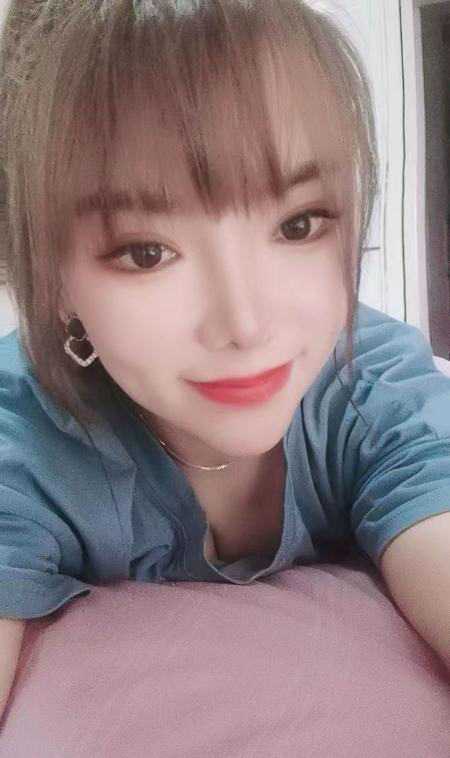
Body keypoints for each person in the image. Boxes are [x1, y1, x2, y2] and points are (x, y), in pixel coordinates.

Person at [0, 0, 449, 720]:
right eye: (147, 252)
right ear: (53, 283)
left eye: (298, 224)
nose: (246, 324)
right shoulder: (22, 442)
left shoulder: (372, 386)